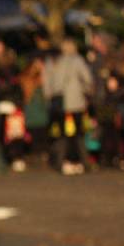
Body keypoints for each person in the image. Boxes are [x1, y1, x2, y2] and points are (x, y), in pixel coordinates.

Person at [44, 38, 93, 175]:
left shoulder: (53, 62)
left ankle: (62, 161)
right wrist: (86, 92)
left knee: (63, 134)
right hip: (75, 102)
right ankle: (81, 161)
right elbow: (87, 79)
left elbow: (48, 84)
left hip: (59, 103)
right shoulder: (76, 60)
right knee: (77, 134)